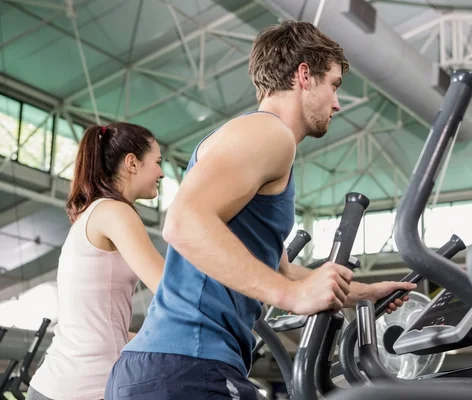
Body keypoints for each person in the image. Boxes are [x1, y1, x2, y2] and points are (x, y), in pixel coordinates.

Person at [105, 21, 417, 400]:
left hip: (169, 365)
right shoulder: (271, 135)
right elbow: (183, 223)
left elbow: (279, 268)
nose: (337, 102)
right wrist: (292, 296)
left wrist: (365, 294)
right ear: (304, 75)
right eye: (334, 85)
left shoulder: (253, 143)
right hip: (187, 363)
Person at [27, 123, 166, 400]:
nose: (162, 172)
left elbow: (102, 327)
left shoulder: (94, 214)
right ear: (132, 163)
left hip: (60, 387)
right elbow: (169, 288)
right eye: (158, 162)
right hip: (80, 390)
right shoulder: (115, 212)